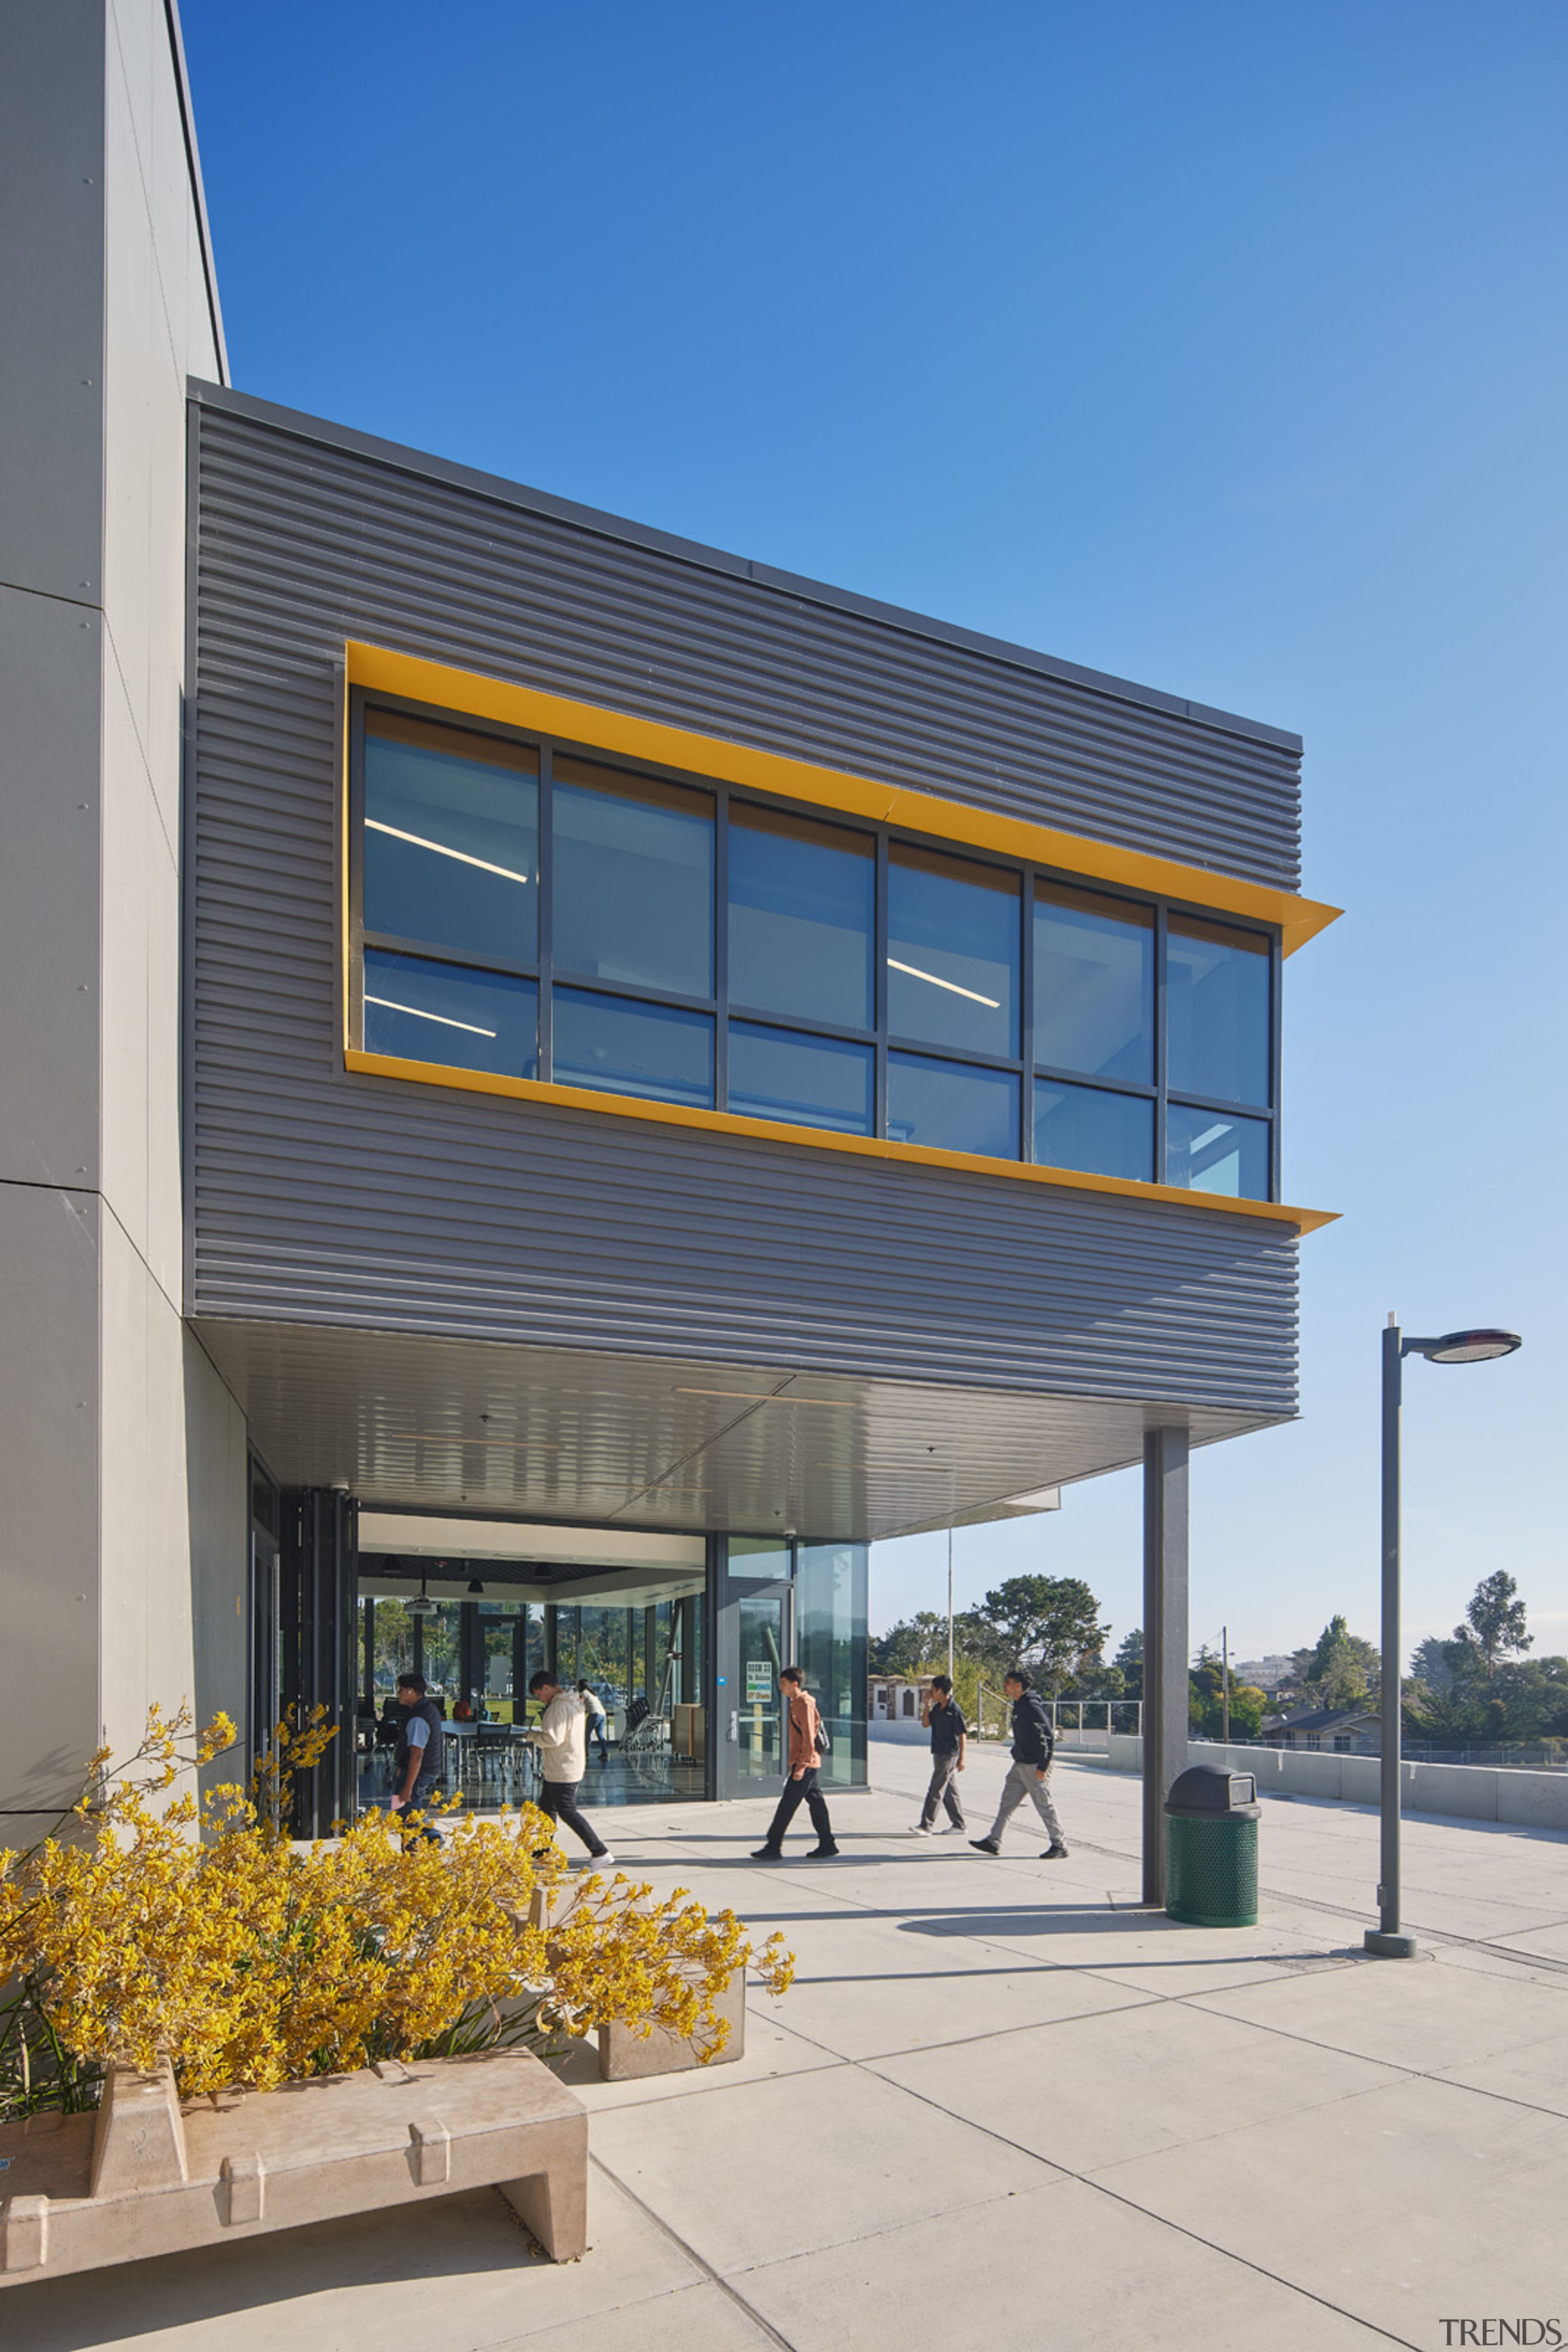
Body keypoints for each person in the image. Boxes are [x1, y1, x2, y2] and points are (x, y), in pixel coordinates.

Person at [970, 1667, 1069, 1858]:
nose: (1005, 1686)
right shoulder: (1019, 1704)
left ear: (1018, 1685)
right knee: (1007, 1803)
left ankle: (1060, 1845)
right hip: (1021, 1764)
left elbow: (1048, 1737)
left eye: (1008, 1683)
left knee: (1044, 1805)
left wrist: (1043, 1767)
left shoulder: (1032, 1707)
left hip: (1035, 1766)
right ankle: (994, 1841)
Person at [522, 1669, 615, 1867]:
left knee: (566, 1811)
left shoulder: (557, 1708)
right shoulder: (575, 1703)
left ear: (546, 1688)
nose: (540, 1699)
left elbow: (552, 1738)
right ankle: (542, 1854)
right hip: (566, 1765)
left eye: (539, 1695)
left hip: (561, 1768)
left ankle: (599, 1851)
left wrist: (532, 1736)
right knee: (547, 1810)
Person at [752, 1666, 839, 1861]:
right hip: (806, 1762)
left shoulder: (804, 1704)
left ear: (795, 1684)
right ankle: (828, 1843)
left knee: (787, 1806)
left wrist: (800, 1767)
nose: (780, 1687)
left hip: (805, 1764)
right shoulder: (795, 1703)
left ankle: (773, 1846)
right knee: (816, 1803)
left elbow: (809, 1738)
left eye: (783, 1684)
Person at [388, 1671, 446, 1842]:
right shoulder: (427, 1709)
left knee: (406, 1813)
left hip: (418, 1773)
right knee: (405, 1811)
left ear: (410, 1691)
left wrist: (408, 1786)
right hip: (418, 1770)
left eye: (401, 1689)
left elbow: (417, 1756)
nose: (398, 1693)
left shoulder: (418, 1718)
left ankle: (430, 1838)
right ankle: (417, 1846)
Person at [911, 1674, 967, 1835]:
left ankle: (926, 1825)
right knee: (950, 1791)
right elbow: (925, 1724)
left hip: (949, 1754)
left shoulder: (954, 1710)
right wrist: (927, 1705)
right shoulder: (938, 1708)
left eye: (933, 1690)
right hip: (938, 1752)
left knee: (936, 1789)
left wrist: (962, 1757)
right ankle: (959, 1824)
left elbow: (962, 1734)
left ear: (941, 1691)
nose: (931, 1692)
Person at [578, 1680, 610, 1764]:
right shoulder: (592, 1693)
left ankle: (585, 1752)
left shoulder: (584, 1693)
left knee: (587, 1734)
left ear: (581, 1686)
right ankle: (605, 1752)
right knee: (600, 1734)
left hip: (594, 1714)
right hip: (602, 1714)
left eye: (578, 1685)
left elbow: (580, 1704)